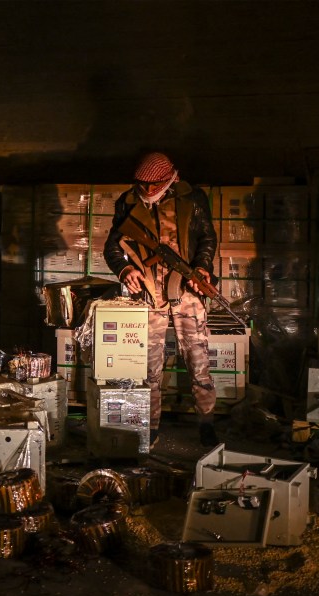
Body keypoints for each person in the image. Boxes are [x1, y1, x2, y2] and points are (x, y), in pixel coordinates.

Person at [103, 152, 219, 448]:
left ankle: (206, 422)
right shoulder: (128, 203)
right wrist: (125, 269)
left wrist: (202, 267)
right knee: (148, 367)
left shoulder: (192, 199)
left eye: (153, 185)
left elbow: (207, 237)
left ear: (169, 180)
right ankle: (149, 426)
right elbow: (113, 247)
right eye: (142, 185)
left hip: (188, 291)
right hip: (149, 293)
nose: (147, 191)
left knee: (198, 359)